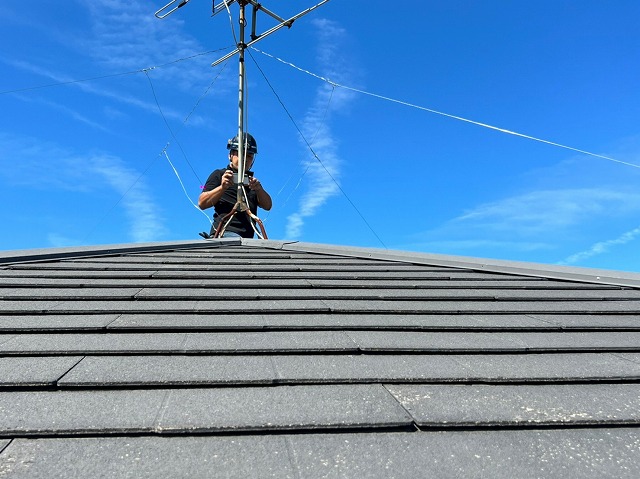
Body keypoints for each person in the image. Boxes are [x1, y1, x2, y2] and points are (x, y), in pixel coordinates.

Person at [198, 132, 272, 238]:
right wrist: (222, 187)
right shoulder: (219, 175)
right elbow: (202, 202)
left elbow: (268, 206)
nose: (245, 159)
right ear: (230, 155)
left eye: (249, 156)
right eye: (240, 154)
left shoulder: (252, 183)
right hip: (224, 233)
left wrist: (259, 189)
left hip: (247, 240)